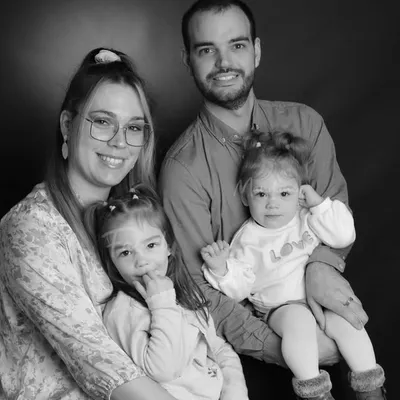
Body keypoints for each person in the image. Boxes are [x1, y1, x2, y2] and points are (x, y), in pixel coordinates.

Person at [159, 0, 368, 369]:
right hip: (250, 352)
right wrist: (286, 349)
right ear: (187, 59)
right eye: (207, 50)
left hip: (331, 308)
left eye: (237, 45)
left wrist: (320, 267)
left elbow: (334, 208)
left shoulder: (305, 124)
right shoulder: (181, 170)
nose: (224, 62)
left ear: (255, 51)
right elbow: (197, 286)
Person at [0, 48, 179, 399]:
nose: (119, 141)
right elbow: (105, 367)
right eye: (102, 122)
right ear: (68, 126)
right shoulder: (31, 229)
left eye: (133, 127)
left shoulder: (133, 222)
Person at [201, 131, 386, 400]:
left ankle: (371, 388)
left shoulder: (307, 218)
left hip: (320, 300)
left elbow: (344, 235)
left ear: (299, 193)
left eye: (284, 193)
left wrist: (319, 205)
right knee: (299, 323)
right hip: (280, 307)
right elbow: (239, 288)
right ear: (245, 196)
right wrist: (221, 269)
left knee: (348, 322)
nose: (272, 203)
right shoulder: (248, 240)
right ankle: (314, 392)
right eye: (261, 194)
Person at [83, 183, 249, 400]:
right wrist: (161, 303)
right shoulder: (123, 313)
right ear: (113, 263)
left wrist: (235, 393)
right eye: (125, 253)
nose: (141, 261)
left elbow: (217, 348)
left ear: (168, 245)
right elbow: (164, 370)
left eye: (151, 246)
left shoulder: (185, 293)